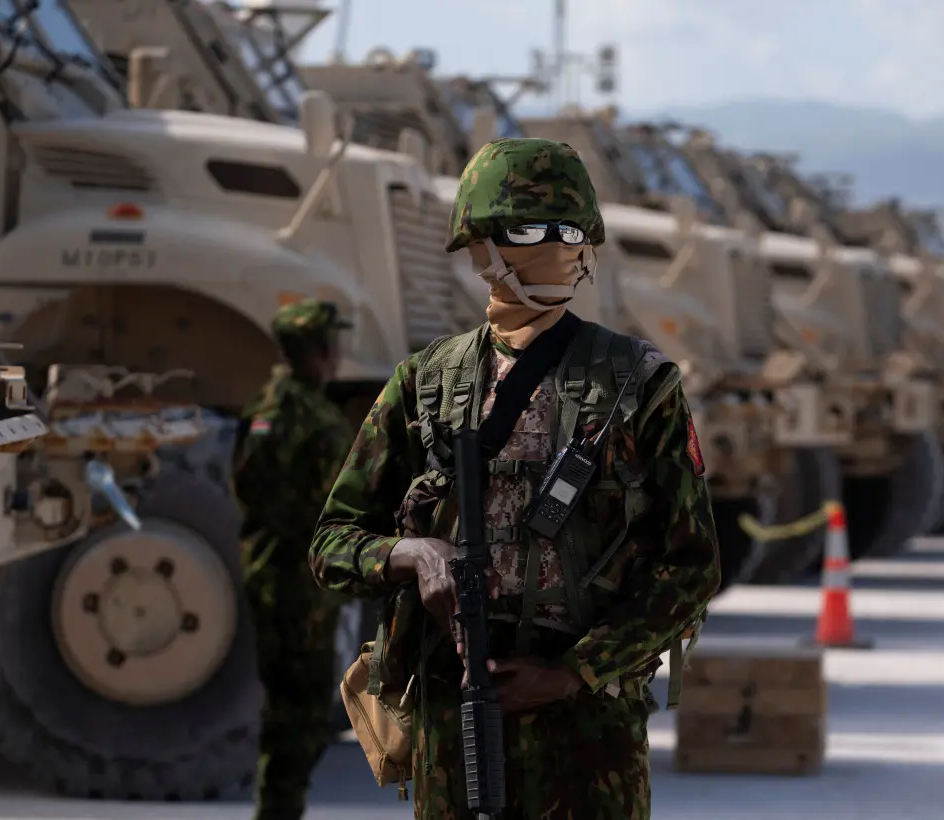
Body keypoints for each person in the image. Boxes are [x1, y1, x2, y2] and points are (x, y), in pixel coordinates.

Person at [308, 137, 721, 819]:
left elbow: (691, 567)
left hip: (590, 735)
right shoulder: (426, 384)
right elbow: (332, 542)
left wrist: (574, 673)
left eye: (570, 231)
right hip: (455, 713)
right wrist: (413, 554)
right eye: (532, 230)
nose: (557, 247)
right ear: (482, 246)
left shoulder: (639, 384)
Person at [232, 297, 356, 820]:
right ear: (319, 350)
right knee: (300, 713)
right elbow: (335, 509)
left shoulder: (264, 405)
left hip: (271, 574)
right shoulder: (316, 420)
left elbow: (246, 487)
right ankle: (278, 810)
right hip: (300, 584)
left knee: (288, 706)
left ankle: (278, 806)